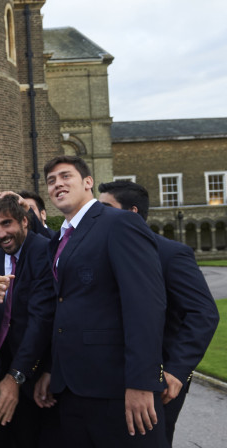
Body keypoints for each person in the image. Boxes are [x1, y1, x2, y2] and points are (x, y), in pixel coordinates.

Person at [34, 156, 167, 447]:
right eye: (51, 181)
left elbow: (145, 305)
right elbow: (65, 307)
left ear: (87, 182)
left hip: (116, 387)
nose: (57, 184)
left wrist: (142, 382)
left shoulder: (120, 224)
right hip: (71, 389)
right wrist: (51, 369)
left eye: (65, 176)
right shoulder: (59, 240)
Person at [97, 180, 219, 445]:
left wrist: (177, 370)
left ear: (131, 213)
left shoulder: (170, 253)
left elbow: (204, 314)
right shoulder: (102, 251)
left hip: (160, 380)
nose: (99, 214)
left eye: (106, 208)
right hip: (113, 377)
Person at [0, 196, 55, 448]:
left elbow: (42, 320)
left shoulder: (44, 251)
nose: (1, 233)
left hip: (36, 373)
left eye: (6, 223)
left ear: (25, 221)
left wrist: (17, 376)